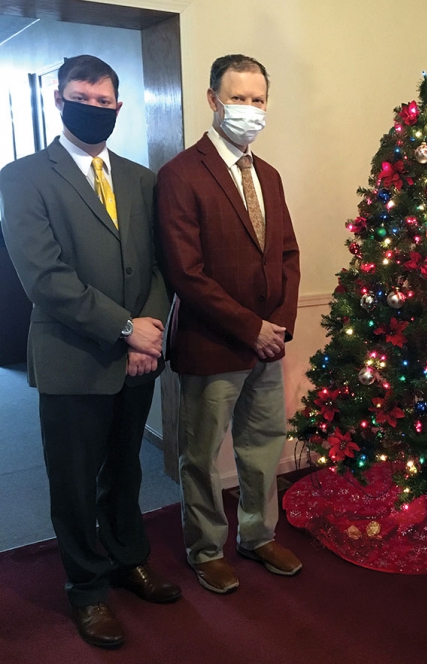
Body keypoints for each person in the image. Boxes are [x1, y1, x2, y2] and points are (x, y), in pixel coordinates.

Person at [0, 55, 181, 649]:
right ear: (58, 98)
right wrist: (126, 327)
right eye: (82, 97)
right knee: (74, 483)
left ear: (119, 107)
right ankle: (86, 588)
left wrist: (148, 329)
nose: (93, 109)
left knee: (125, 470)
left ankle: (129, 560)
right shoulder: (22, 176)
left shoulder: (140, 177)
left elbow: (158, 263)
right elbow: (45, 279)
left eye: (104, 102)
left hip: (139, 357)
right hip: (72, 358)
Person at [156, 54, 301, 594]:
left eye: (257, 100)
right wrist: (251, 328)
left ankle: (259, 537)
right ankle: (205, 548)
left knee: (263, 447)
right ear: (213, 100)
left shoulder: (269, 174)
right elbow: (185, 273)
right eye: (238, 98)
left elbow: (287, 252)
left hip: (267, 345)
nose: (249, 109)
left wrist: (279, 326)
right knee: (201, 455)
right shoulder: (180, 175)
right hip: (211, 343)